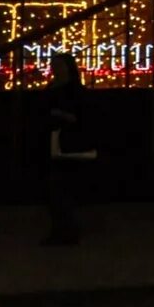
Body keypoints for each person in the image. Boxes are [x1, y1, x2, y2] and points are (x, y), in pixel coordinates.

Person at [39, 52, 96, 244]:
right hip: (53, 140)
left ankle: (66, 231)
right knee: (54, 189)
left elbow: (81, 117)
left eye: (59, 65)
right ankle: (61, 230)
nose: (55, 69)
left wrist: (60, 114)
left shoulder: (74, 91)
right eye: (53, 65)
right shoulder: (53, 87)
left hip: (68, 142)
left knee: (60, 187)